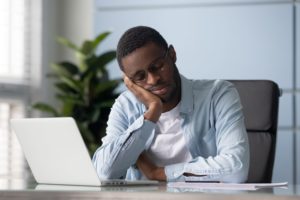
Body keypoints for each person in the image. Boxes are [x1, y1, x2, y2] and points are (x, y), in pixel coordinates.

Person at [92, 26, 249, 183]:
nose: (153, 80)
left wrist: (158, 173)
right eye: (140, 77)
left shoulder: (218, 95)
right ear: (129, 81)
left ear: (172, 55)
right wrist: (152, 113)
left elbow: (236, 169)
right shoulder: (126, 106)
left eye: (158, 66)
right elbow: (104, 172)